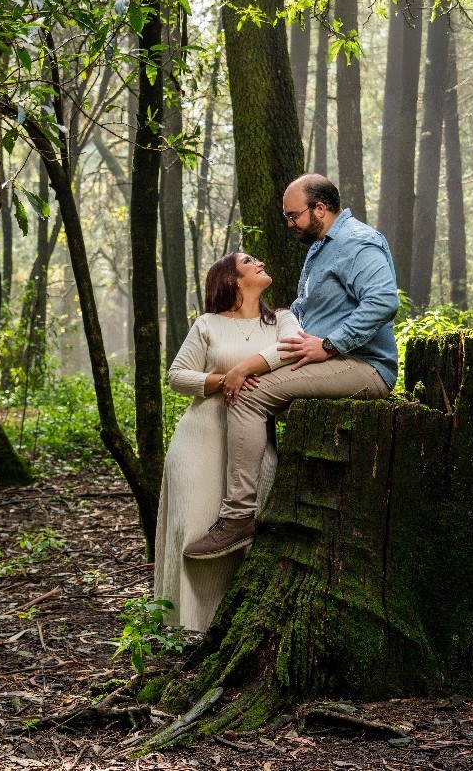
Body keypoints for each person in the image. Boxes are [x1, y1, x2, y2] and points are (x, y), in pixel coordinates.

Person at [183, 173, 400, 560]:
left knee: (249, 397)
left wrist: (330, 344)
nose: (288, 223)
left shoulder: (356, 241)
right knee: (251, 387)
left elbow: (383, 301)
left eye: (293, 215)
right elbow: (307, 311)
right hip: (332, 361)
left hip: (365, 365)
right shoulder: (321, 248)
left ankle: (238, 518)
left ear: (320, 209)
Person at [154, 252, 302, 631]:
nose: (260, 262)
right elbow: (177, 376)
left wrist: (244, 369)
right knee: (196, 529)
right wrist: (223, 380)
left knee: (241, 530)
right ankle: (189, 626)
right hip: (199, 440)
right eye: (249, 261)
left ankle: (233, 626)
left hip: (252, 441)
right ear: (232, 279)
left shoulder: (282, 319)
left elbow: (291, 349)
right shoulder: (208, 324)